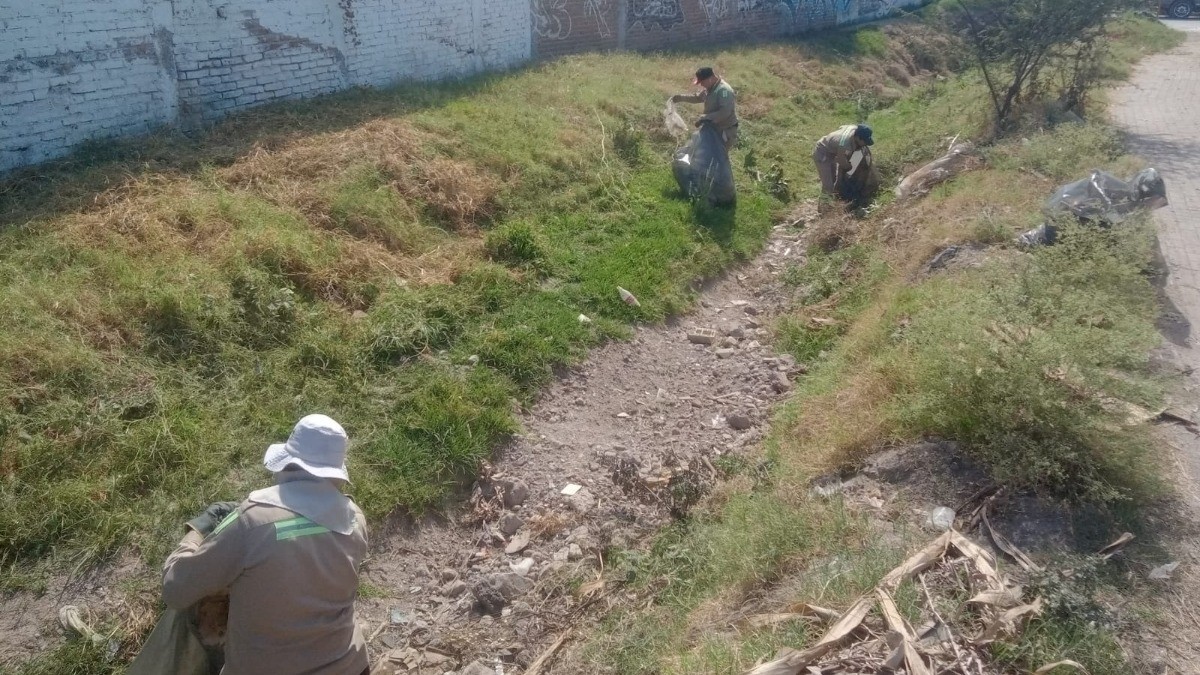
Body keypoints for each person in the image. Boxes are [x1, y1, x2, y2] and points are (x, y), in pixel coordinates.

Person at [148, 414, 370, 675]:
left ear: (285, 464)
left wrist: (196, 533)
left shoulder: (253, 520)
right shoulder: (355, 518)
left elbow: (175, 590)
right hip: (350, 668)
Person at [671, 66, 739, 151]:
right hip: (713, 128)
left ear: (710, 78)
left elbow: (725, 112)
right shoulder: (710, 88)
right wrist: (680, 98)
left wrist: (705, 118)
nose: (701, 85)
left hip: (724, 130)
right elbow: (697, 98)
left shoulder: (724, 90)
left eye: (702, 82)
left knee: (719, 156)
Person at [813, 123, 874, 198]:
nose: (865, 144)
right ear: (858, 138)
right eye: (864, 141)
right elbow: (842, 161)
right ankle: (825, 206)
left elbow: (842, 127)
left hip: (833, 151)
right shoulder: (845, 145)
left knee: (834, 178)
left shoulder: (854, 129)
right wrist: (850, 167)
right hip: (822, 153)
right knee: (828, 186)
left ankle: (833, 197)